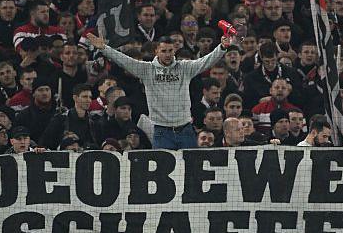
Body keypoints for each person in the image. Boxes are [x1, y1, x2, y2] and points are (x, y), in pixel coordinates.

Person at [84, 32, 232, 149]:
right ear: (156, 51)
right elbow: (124, 60)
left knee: (191, 173)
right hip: (162, 132)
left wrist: (222, 48)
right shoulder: (147, 70)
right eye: (164, 51)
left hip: (186, 130)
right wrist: (104, 48)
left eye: (170, 50)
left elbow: (206, 61)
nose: (168, 54)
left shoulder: (184, 68)